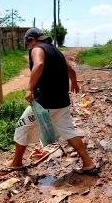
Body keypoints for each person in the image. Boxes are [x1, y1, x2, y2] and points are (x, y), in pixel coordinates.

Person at [8, 27, 97, 174]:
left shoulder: (37, 49)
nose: (28, 46)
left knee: (21, 126)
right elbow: (71, 70)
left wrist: (30, 89)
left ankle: (16, 163)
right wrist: (74, 83)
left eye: (28, 43)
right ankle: (88, 163)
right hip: (62, 101)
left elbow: (39, 65)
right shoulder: (56, 52)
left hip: (44, 103)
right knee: (69, 131)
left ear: (32, 40)